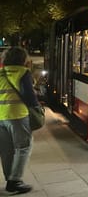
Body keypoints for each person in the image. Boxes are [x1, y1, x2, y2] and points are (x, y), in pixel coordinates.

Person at [0, 47, 40, 193]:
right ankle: (15, 181)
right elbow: (29, 96)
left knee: (6, 150)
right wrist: (37, 108)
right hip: (17, 115)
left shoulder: (1, 72)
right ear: (23, 59)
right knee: (23, 147)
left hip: (1, 116)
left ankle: (9, 178)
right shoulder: (23, 72)